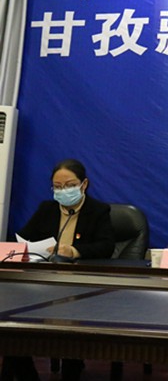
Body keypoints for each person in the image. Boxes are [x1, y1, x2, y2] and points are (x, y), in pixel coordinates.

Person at [4, 159, 115, 381]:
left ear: (84, 184)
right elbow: (22, 239)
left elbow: (106, 246)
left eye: (70, 185)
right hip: (41, 284)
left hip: (80, 287)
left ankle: (72, 370)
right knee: (11, 330)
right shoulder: (47, 209)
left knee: (72, 331)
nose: (63, 191)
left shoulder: (98, 211)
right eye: (58, 186)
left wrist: (74, 251)